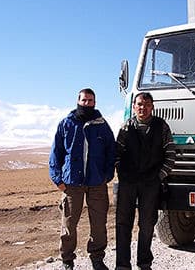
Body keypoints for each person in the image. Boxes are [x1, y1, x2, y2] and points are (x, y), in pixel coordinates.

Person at [49, 88, 115, 270]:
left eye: (90, 101)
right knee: (69, 223)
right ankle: (67, 260)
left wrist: (107, 174)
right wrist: (57, 179)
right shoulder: (66, 124)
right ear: (78, 101)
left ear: (95, 102)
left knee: (99, 223)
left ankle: (97, 258)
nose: (87, 103)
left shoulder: (101, 124)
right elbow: (56, 153)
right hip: (72, 183)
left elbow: (112, 151)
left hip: (97, 182)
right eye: (84, 100)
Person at [115, 92, 175, 270]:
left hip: (151, 183)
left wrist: (159, 176)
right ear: (134, 106)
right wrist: (123, 174)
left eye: (147, 104)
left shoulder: (161, 126)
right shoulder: (126, 127)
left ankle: (144, 263)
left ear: (152, 106)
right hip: (128, 182)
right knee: (123, 223)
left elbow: (170, 154)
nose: (143, 107)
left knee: (147, 223)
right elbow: (116, 154)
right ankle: (122, 265)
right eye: (140, 104)